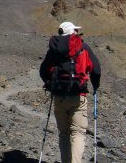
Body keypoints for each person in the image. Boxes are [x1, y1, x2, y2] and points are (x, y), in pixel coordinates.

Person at [39, 21, 101, 163]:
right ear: (73, 32)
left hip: (59, 96)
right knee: (78, 132)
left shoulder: (53, 49)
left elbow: (43, 71)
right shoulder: (83, 47)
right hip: (78, 95)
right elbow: (96, 69)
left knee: (64, 133)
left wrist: (50, 85)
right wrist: (95, 86)